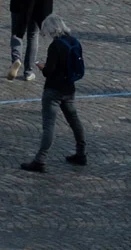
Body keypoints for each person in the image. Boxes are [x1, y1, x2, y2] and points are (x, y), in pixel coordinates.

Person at [20, 16, 88, 170]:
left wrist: (41, 66)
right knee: (74, 121)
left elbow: (49, 71)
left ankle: (40, 160)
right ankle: (81, 152)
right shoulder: (74, 41)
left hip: (53, 90)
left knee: (49, 125)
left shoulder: (55, 46)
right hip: (69, 88)